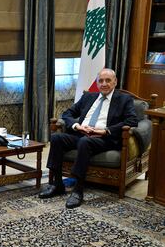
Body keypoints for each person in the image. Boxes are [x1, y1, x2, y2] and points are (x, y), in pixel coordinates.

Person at [39, 68, 138, 208]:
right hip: (81, 134)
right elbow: (67, 113)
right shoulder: (88, 97)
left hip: (104, 139)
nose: (104, 84)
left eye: (108, 80)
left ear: (115, 82)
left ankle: (78, 189)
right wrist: (77, 126)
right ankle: (57, 184)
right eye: (101, 81)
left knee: (85, 142)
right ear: (97, 83)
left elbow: (132, 121)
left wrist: (106, 130)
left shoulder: (124, 99)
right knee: (56, 138)